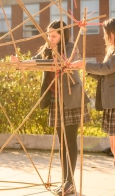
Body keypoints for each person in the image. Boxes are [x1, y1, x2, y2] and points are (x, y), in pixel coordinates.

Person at [11, 20, 90, 196]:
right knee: (62, 143)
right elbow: (37, 60)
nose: (50, 38)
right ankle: (65, 182)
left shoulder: (71, 46)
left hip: (71, 99)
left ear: (63, 35)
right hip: (55, 99)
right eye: (48, 35)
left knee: (70, 141)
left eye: (54, 36)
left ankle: (69, 182)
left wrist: (52, 53)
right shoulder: (48, 49)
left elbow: (63, 62)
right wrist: (21, 62)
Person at [69, 17, 115, 196]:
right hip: (113, 103)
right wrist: (82, 68)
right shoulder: (113, 51)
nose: (105, 37)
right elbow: (105, 73)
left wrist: (84, 64)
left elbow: (106, 68)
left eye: (107, 33)